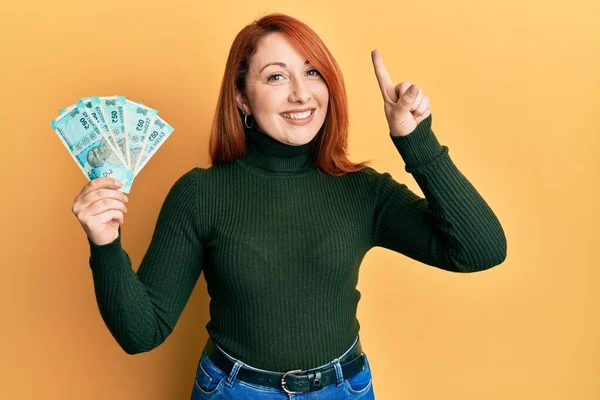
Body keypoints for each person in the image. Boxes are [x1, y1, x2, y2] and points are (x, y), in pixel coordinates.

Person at [71, 12, 507, 400]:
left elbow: (481, 250)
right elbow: (141, 332)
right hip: (233, 390)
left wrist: (416, 140)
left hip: (345, 389)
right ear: (241, 96)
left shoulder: (362, 191)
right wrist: (105, 244)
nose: (301, 94)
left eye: (313, 72)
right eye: (276, 77)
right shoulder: (199, 195)